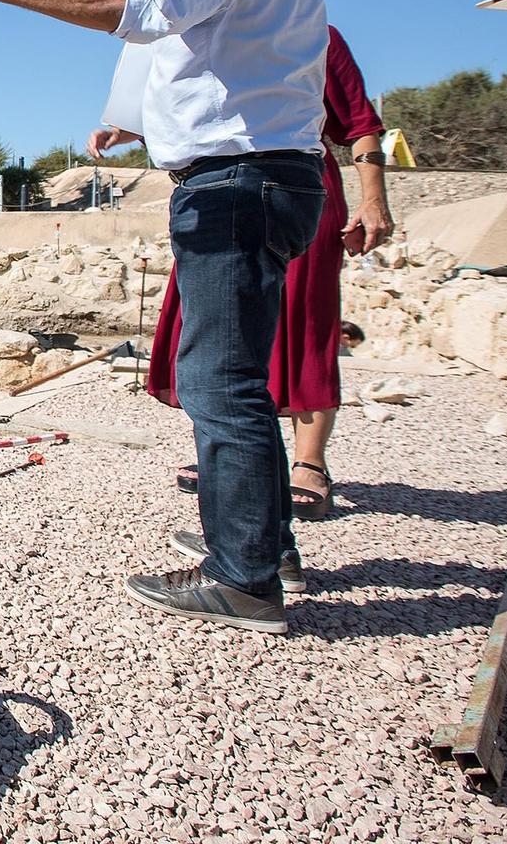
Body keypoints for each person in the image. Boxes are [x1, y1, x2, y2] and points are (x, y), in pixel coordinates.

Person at [0, 0, 328, 635]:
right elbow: (224, 67)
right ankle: (262, 543)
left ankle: (243, 578)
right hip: (260, 173)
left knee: (219, 380)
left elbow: (142, 7)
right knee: (237, 371)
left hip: (238, 183)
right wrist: (140, 121)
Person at [156, 27, 395, 536]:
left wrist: (374, 200)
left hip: (295, 183)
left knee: (304, 323)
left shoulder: (315, 34)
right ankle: (233, 461)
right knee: (217, 332)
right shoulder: (205, 33)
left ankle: (309, 463)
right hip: (214, 188)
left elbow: (359, 124)